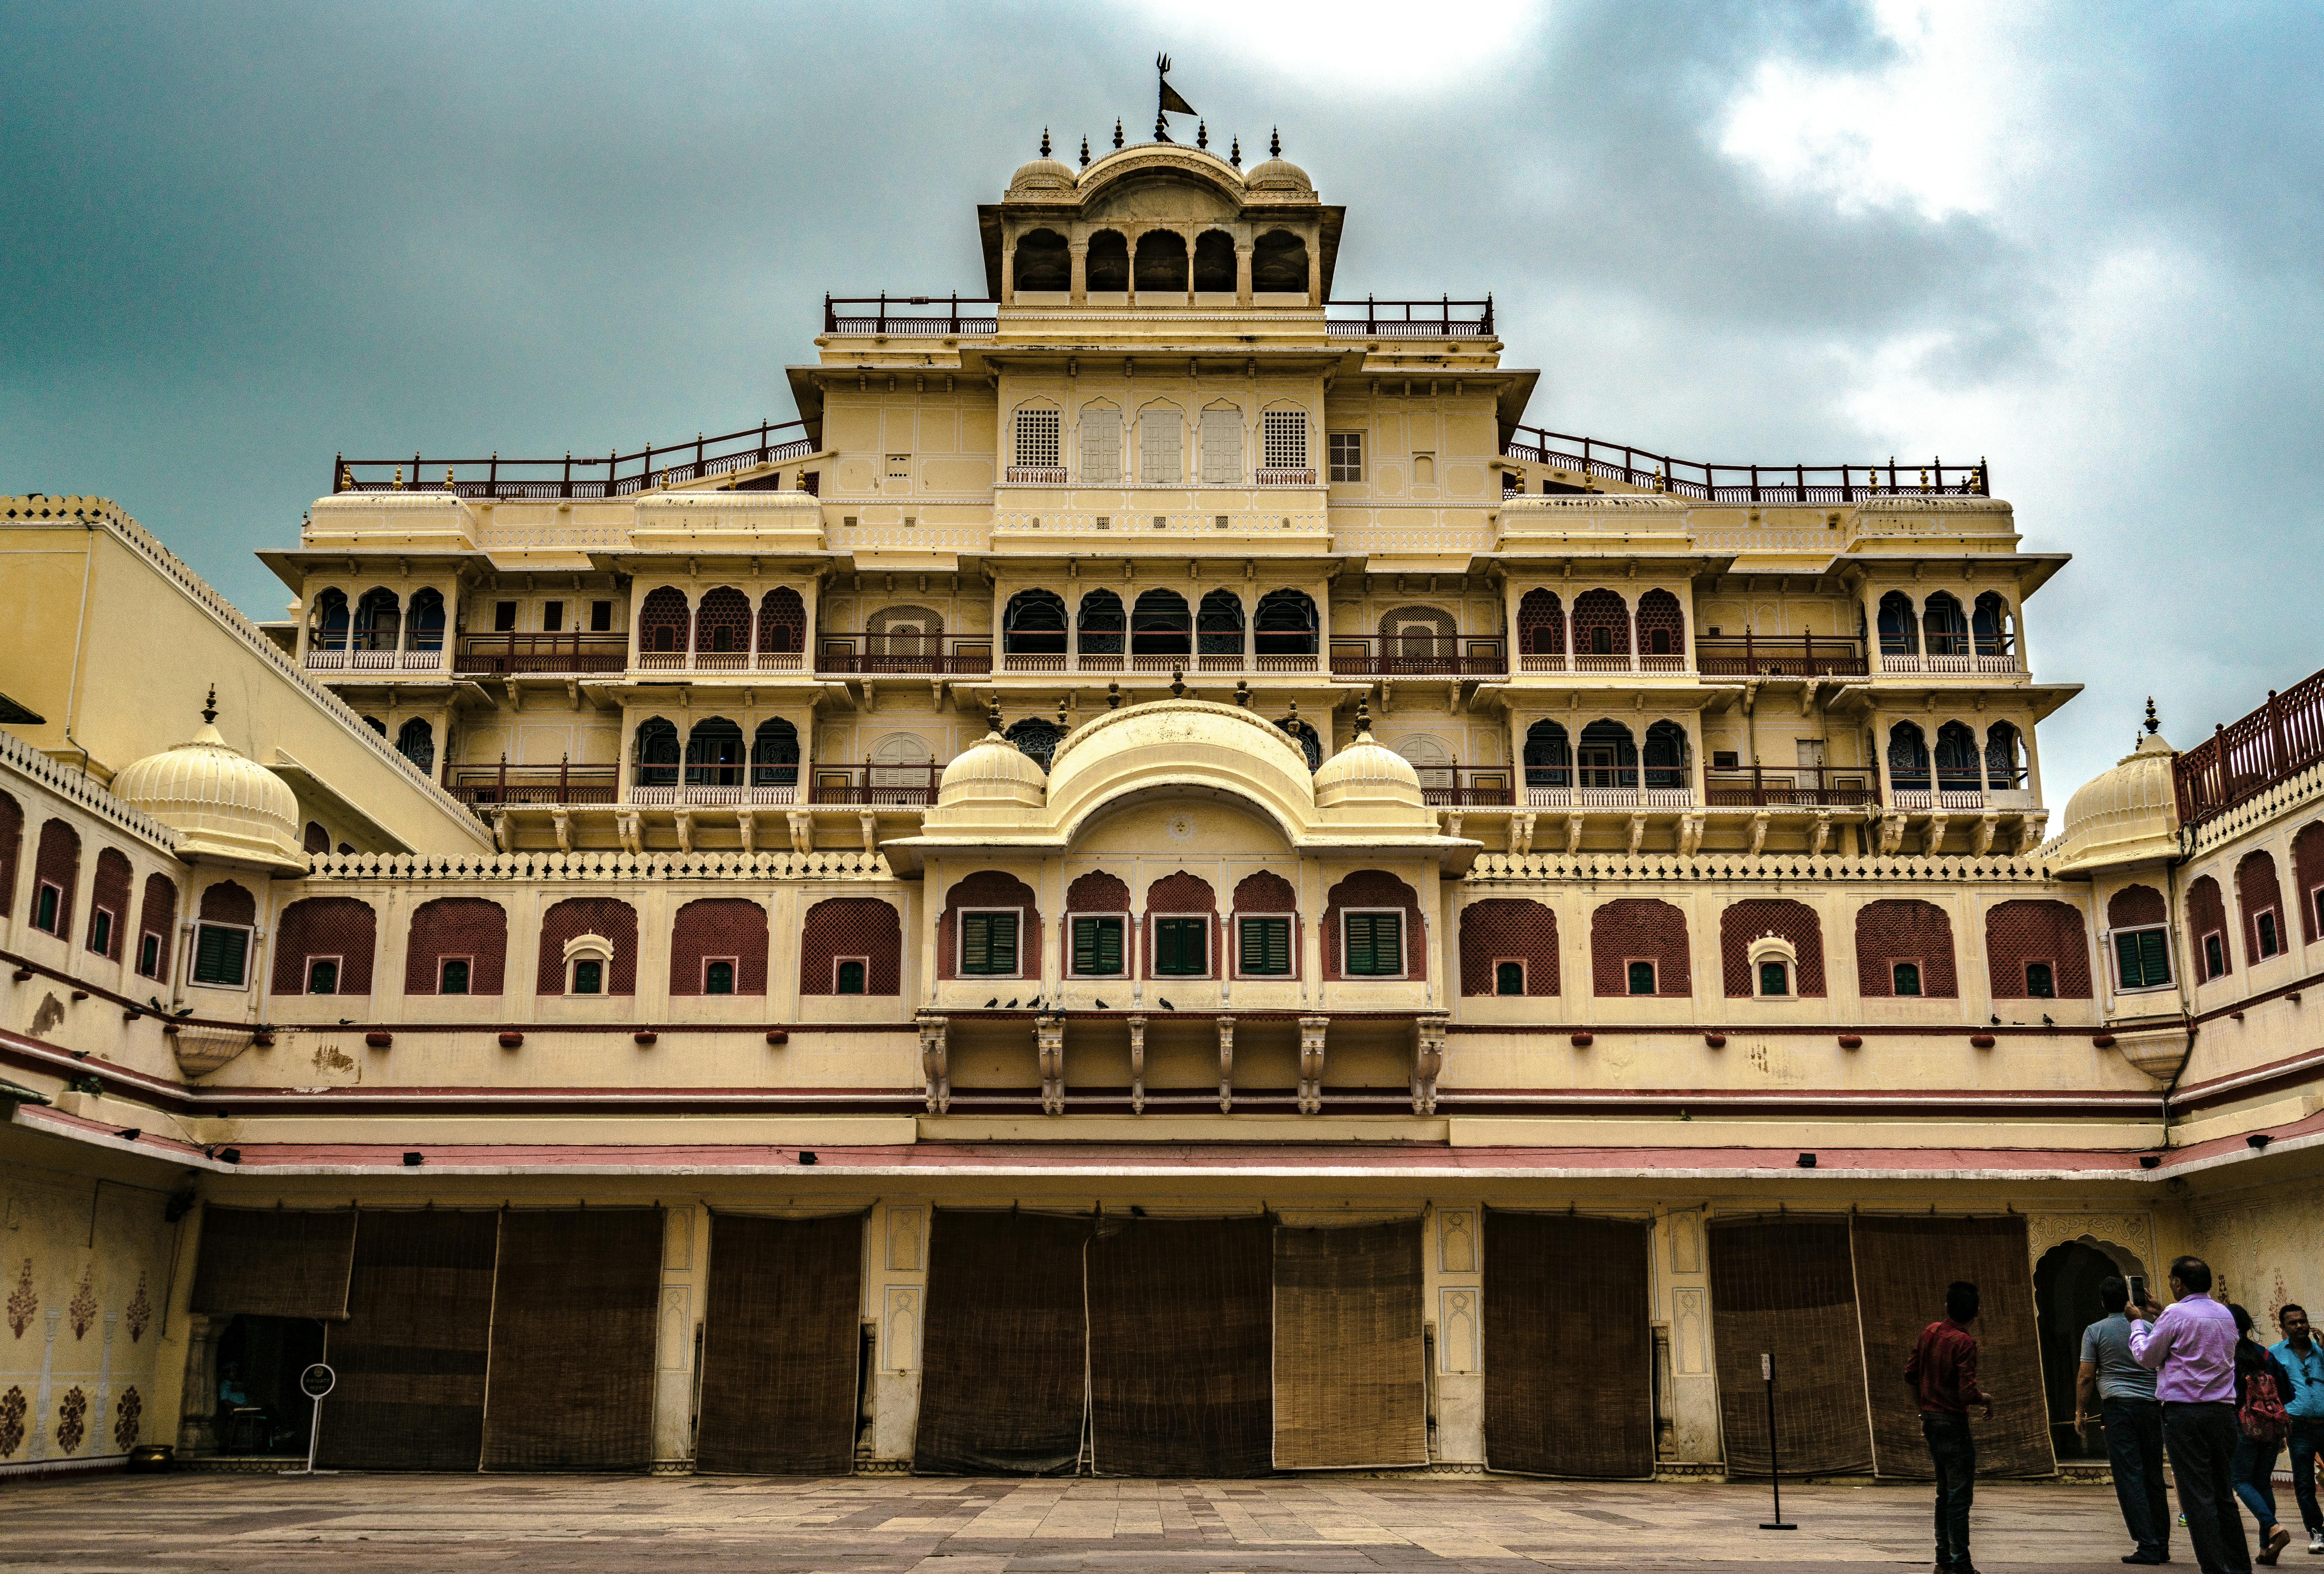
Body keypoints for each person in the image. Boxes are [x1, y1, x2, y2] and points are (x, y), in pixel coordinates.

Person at [2133, 1256, 2255, 1574]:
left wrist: (2136, 1323)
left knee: (2196, 1498)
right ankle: (2240, 1568)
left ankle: (2213, 1568)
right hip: (2221, 1412)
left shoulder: (2175, 1314)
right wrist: (2159, 1311)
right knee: (2222, 1494)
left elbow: (2147, 1357)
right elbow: (2195, 1331)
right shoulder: (2224, 1314)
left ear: (2178, 1283)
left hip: (2184, 1415)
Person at [2079, 1275, 2169, 1565]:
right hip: (2151, 1407)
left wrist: (2079, 1411)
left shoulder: (2095, 1331)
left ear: (2103, 1302)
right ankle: (2161, 1543)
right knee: (2153, 1475)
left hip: (2119, 1409)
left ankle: (2147, 1545)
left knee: (2129, 1476)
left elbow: (2085, 1377)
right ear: (2130, 1299)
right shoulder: (2147, 1327)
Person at [1908, 1279, 1994, 1574]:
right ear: (1976, 1312)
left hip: (1931, 1422)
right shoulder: (1964, 1343)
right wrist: (1987, 1399)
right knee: (1959, 1497)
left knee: (1943, 1493)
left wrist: (1923, 1411)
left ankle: (1943, 1561)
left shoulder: (1929, 1332)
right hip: (1953, 1424)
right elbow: (1966, 1393)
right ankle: (1960, 1565)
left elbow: (1910, 1374)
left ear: (1946, 1306)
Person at [2231, 1302, 2296, 1565]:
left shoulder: (2226, 1356)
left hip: (2242, 1428)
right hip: (2272, 1427)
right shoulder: (2265, 1354)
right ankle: (2266, 1548)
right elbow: (2287, 1392)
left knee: (2241, 1480)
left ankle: (2274, 1527)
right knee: (2262, 1483)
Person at [2269, 1304, 2324, 1556]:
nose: (2300, 1326)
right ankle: (2317, 1532)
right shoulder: (2274, 1355)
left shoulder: (2321, 1350)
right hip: (2298, 1427)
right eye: (2293, 1323)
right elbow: (2268, 1393)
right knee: (2304, 1483)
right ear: (2283, 1328)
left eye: (2303, 1321)